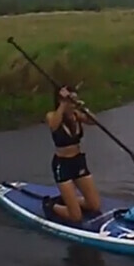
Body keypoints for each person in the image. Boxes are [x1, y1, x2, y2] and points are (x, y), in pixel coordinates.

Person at [42, 85, 102, 223]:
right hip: (62, 166)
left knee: (94, 206)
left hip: (78, 162)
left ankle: (68, 200)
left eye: (75, 99)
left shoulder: (76, 115)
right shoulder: (52, 115)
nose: (73, 103)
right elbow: (53, 125)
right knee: (76, 216)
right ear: (61, 100)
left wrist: (84, 109)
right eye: (71, 100)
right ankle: (51, 205)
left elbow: (94, 121)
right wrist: (63, 104)